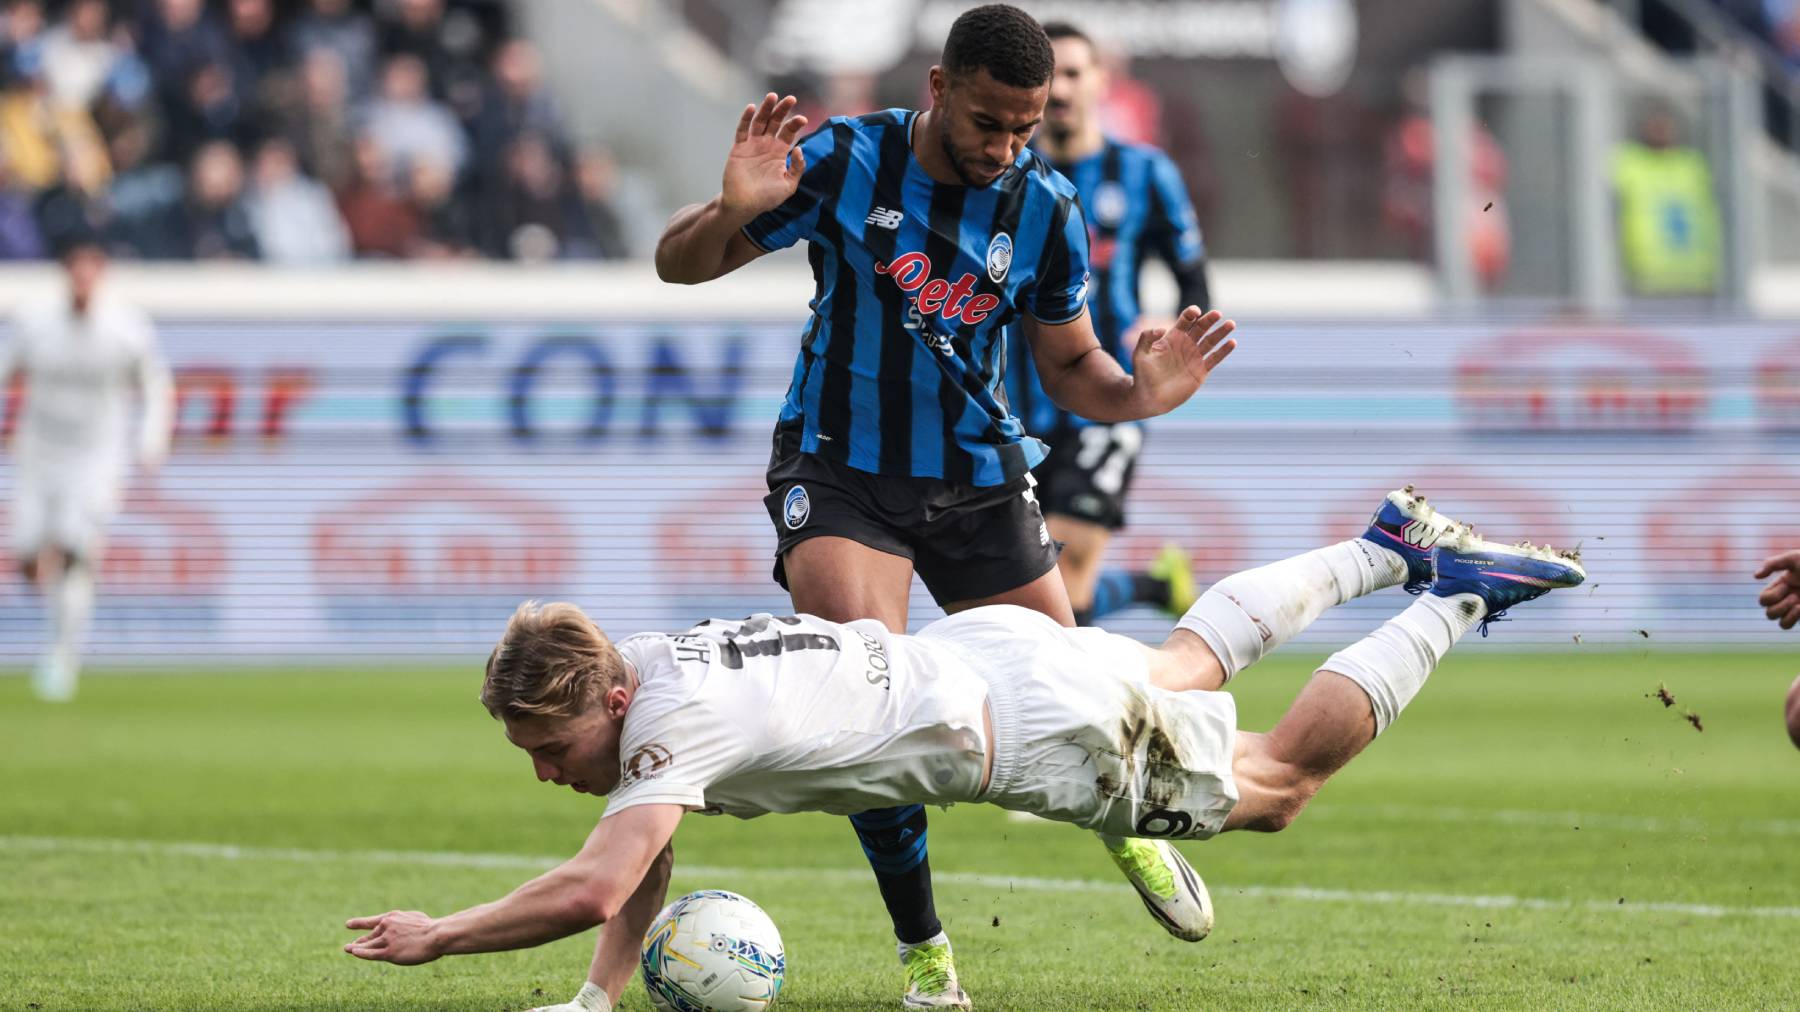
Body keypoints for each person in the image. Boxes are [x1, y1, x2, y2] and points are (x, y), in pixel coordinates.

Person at [340, 487, 1587, 1012]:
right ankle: (1383, 541)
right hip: (986, 649)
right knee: (1189, 667)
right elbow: (639, 856)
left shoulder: (672, 722)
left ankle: (1458, 593)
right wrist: (599, 997)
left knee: (1275, 787)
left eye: (552, 742)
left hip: (1021, 731)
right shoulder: (656, 666)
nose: (546, 769)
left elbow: (603, 879)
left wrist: (442, 933)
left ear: (606, 694)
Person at [652, 7, 1235, 1003]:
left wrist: (1140, 391)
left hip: (977, 474)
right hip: (840, 471)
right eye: (988, 122)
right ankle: (926, 953)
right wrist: (729, 209)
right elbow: (678, 263)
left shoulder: (1045, 207)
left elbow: (1071, 367)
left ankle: (1125, 833)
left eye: (1026, 126)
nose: (1007, 146)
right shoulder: (844, 159)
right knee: (869, 708)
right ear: (937, 88)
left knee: (1081, 700)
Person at [1004, 22, 1213, 628]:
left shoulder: (1145, 172)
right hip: (1014, 405)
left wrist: (1172, 325)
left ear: (1101, 81)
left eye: (1074, 73)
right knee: (1032, 595)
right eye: (1050, 76)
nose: (1062, 89)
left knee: (1063, 585)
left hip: (1110, 398)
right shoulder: (1008, 175)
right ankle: (1152, 585)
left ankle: (1068, 722)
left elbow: (1195, 281)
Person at [3, 234, 172, 701]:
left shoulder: (126, 328)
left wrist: (151, 440)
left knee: (77, 550)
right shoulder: (34, 322)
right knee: (28, 553)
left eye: (91, 267)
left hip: (96, 457)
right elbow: (7, 371)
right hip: (38, 454)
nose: (83, 278)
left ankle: (62, 658)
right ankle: (53, 612)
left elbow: (156, 384)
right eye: (74, 268)